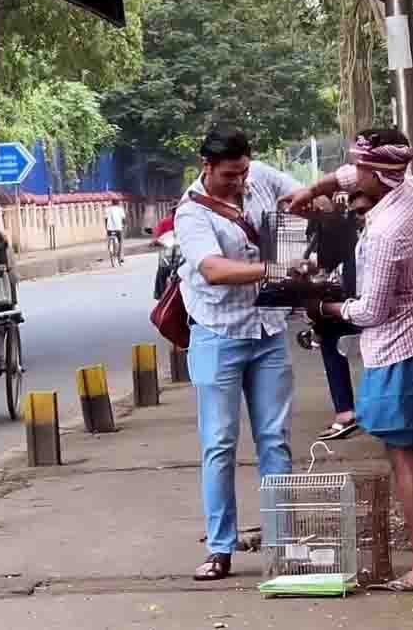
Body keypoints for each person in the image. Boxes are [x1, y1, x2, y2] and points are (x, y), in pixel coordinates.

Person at [283, 128, 413, 593]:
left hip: (396, 351)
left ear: (380, 176)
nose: (353, 174)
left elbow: (371, 312)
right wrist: (316, 189)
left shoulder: (386, 233)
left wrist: (324, 308)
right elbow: (349, 175)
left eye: (362, 167)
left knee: (403, 455)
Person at [176, 124, 304, 581]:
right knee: (220, 444)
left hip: (267, 330)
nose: (239, 182)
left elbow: (303, 198)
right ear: (206, 168)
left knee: (275, 439)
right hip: (218, 333)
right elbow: (212, 269)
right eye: (230, 175)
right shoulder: (191, 214)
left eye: (243, 172)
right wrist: (275, 268)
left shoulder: (262, 178)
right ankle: (219, 548)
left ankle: (285, 543)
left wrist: (309, 216)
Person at [304, 194, 362, 442]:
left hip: (361, 294)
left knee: (331, 335)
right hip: (348, 293)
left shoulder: (341, 220)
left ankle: (351, 412)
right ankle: (346, 412)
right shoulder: (324, 224)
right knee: (328, 336)